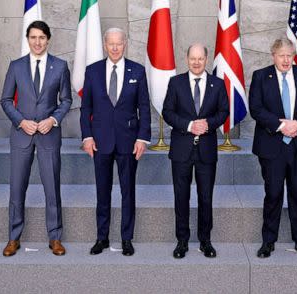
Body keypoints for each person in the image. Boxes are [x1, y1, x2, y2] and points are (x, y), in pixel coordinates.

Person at [0, 20, 72, 256]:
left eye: (42, 37)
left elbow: (66, 101)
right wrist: (21, 121)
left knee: (52, 188)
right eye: (33, 37)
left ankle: (55, 237)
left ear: (48, 39)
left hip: (49, 135)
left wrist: (52, 120)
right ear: (28, 39)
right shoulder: (16, 66)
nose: (37, 42)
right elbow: (6, 100)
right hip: (22, 134)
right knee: (17, 188)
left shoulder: (60, 66)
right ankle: (13, 237)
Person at [80, 27, 151, 257]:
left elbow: (144, 107)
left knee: (128, 191)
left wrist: (142, 138)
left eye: (118, 43)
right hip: (100, 142)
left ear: (125, 43)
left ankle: (126, 238)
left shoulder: (137, 71)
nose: (114, 47)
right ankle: (102, 237)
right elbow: (86, 108)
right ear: (104, 44)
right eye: (110, 43)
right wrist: (87, 136)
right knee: (103, 191)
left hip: (128, 142)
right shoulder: (92, 71)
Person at [249, 37, 297, 259]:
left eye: (289, 55)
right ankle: (268, 242)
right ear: (273, 56)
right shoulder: (261, 76)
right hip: (272, 147)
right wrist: (282, 126)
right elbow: (256, 108)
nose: (286, 60)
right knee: (273, 194)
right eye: (282, 55)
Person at [162, 43, 229, 259]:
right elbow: (168, 112)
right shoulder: (176, 83)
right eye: (193, 58)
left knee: (206, 197)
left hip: (206, 150)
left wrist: (207, 124)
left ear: (206, 59)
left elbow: (224, 111)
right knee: (181, 196)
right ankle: (182, 241)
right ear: (186, 58)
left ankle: (205, 240)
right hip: (182, 149)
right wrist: (190, 125)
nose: (197, 62)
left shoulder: (217, 84)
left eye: (200, 58)